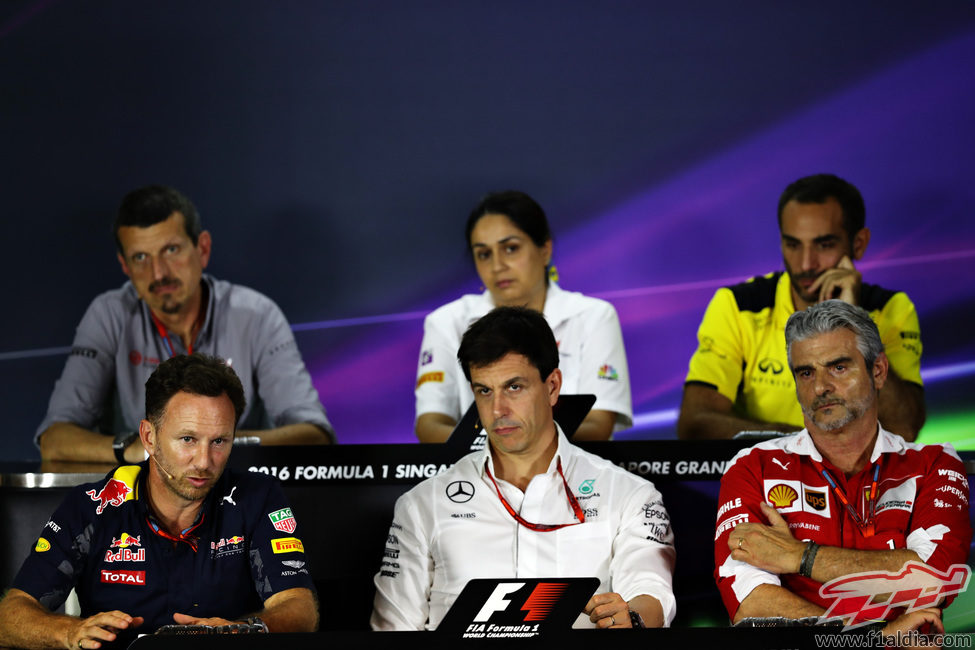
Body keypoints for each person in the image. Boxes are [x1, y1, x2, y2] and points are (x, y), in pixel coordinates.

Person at [375, 306, 674, 630]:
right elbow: (394, 633)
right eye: (484, 391)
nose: (497, 409)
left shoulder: (629, 495)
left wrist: (632, 618)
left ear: (552, 386)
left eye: (514, 387)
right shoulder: (422, 505)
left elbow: (651, 595)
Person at [0, 354, 318, 648]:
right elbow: (10, 615)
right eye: (188, 439)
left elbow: (299, 608)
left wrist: (242, 630)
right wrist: (69, 633)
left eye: (219, 441)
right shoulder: (92, 506)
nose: (204, 461)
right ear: (149, 437)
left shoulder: (258, 497)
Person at [713, 300, 970, 631]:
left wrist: (799, 556)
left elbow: (931, 581)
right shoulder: (753, 466)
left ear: (878, 371)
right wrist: (875, 639)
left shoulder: (934, 463)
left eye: (838, 367)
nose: (820, 387)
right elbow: (751, 604)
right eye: (806, 372)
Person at [37, 185, 333, 464]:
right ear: (125, 266)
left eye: (171, 250)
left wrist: (218, 444)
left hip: (236, 499)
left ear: (202, 249)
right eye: (141, 257)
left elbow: (314, 434)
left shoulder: (256, 316)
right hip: (137, 503)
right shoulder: (108, 315)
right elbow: (55, 440)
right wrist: (138, 449)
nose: (158, 273)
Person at [678, 174, 924, 441]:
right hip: (763, 477)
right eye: (793, 244)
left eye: (824, 244)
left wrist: (853, 321)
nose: (806, 263)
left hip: (860, 481)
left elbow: (904, 429)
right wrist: (807, 447)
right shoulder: (738, 307)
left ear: (858, 244)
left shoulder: (891, 310)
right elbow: (696, 424)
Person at [414, 190, 632, 443]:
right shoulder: (446, 322)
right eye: (484, 254)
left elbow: (597, 425)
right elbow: (430, 425)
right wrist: (500, 447)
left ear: (545, 250)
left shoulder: (593, 316)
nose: (497, 266)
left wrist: (522, 443)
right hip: (477, 475)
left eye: (511, 248)